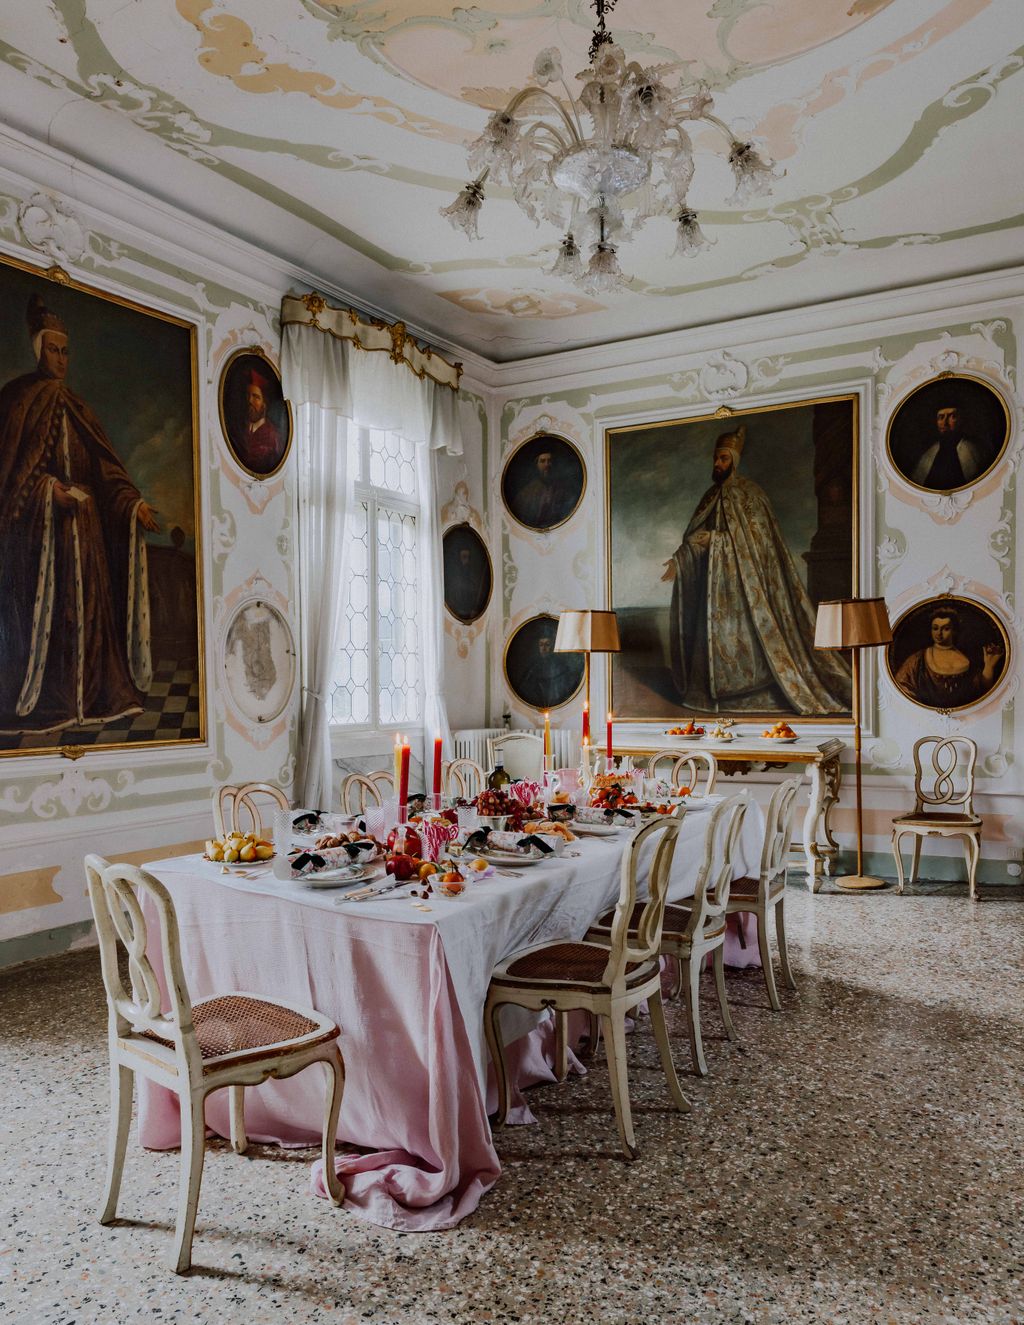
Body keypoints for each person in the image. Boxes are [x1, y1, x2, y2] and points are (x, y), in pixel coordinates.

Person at [0, 294, 159, 732]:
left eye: (65, 350)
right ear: (38, 350)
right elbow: (9, 481)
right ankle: (53, 700)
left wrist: (133, 503)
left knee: (89, 616)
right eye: (53, 349)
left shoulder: (78, 406)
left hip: (85, 536)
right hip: (43, 540)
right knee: (57, 618)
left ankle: (95, 696)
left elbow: (107, 472)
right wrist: (48, 491)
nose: (60, 358)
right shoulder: (17, 401)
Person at [660, 425, 851, 714]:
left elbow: (761, 546)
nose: (717, 463)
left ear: (734, 460)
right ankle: (712, 696)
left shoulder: (750, 495)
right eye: (716, 458)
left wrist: (715, 540)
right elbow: (695, 538)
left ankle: (748, 692)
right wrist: (682, 558)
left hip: (745, 591)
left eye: (724, 458)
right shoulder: (710, 496)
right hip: (711, 591)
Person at [893, 606, 1003, 708]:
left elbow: (982, 692)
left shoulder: (967, 660)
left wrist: (989, 665)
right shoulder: (918, 659)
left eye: (945, 629)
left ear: (954, 631)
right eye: (935, 628)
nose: (939, 633)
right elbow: (901, 686)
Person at [907, 404, 991, 490]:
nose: (945, 423)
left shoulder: (974, 450)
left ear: (961, 420)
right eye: (941, 417)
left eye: (952, 416)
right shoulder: (930, 452)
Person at [511, 445, 577, 528]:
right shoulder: (526, 493)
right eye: (542, 461)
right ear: (536, 465)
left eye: (550, 461)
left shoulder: (565, 489)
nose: (547, 465)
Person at [233, 368, 283, 472]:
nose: (249, 401)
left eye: (256, 397)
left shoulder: (272, 436)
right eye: (247, 395)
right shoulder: (239, 429)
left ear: (264, 404)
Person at [517, 629, 581, 709]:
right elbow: (525, 688)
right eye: (541, 645)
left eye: (547, 644)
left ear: (552, 646)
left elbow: (568, 687)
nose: (544, 648)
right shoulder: (534, 667)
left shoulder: (561, 666)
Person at [443, 534, 490, 622]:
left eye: (467, 557)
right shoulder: (454, 573)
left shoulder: (473, 573)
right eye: (464, 557)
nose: (466, 560)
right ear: (459, 557)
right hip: (457, 608)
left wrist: (474, 609)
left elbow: (477, 591)